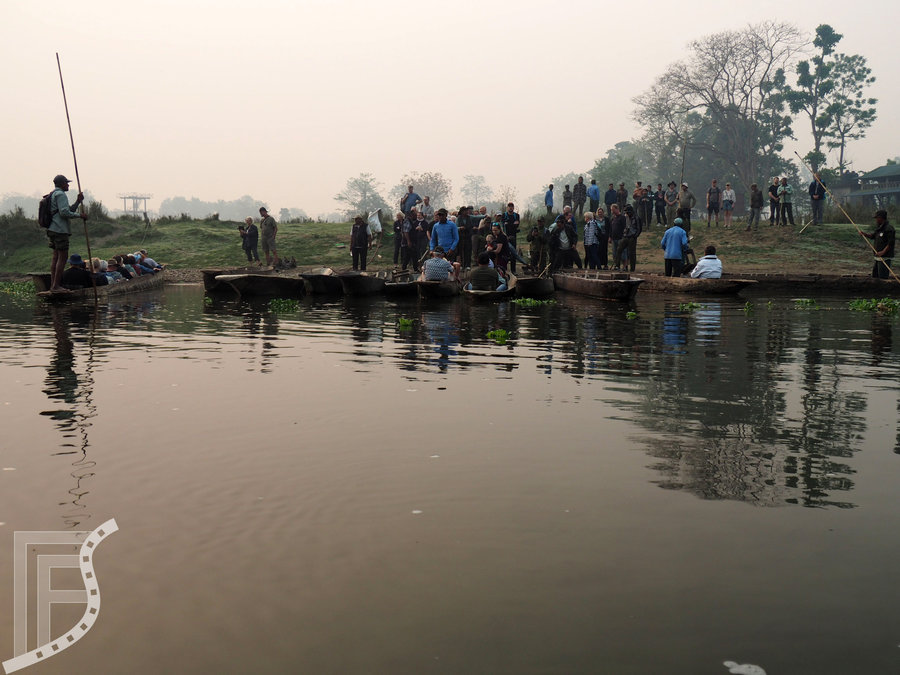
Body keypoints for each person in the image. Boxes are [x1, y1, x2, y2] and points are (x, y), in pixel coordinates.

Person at [46, 174, 86, 293]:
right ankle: (56, 286)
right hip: (60, 230)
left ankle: (53, 285)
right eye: (66, 183)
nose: (68, 185)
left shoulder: (53, 194)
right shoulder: (61, 194)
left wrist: (78, 202)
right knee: (62, 258)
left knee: (56, 257)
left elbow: (68, 210)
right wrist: (80, 215)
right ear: (62, 184)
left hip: (52, 229)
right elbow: (64, 213)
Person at [862, 210, 895, 279]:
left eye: (877, 218)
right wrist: (864, 234)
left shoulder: (889, 229)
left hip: (884, 258)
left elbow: (891, 243)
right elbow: (873, 236)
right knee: (875, 276)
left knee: (882, 277)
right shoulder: (879, 228)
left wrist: (883, 252)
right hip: (878, 257)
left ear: (881, 218)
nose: (876, 220)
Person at [613, 204, 642, 272]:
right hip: (626, 236)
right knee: (619, 249)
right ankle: (617, 265)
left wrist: (635, 236)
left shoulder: (636, 218)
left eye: (627, 212)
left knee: (632, 253)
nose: (626, 213)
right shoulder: (626, 218)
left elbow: (639, 229)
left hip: (632, 236)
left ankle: (632, 268)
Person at [501, 203, 520, 273]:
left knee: (514, 253)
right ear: (507, 207)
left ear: (513, 208)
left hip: (513, 236)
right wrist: (512, 224)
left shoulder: (517, 215)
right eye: (509, 207)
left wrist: (508, 224)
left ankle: (513, 270)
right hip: (505, 236)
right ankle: (504, 270)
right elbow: (503, 225)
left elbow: (517, 225)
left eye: (512, 207)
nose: (510, 208)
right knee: (505, 253)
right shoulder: (504, 215)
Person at [608, 203, 625, 268]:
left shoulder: (622, 217)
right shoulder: (612, 218)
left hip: (620, 238)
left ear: (617, 209)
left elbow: (624, 227)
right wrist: (610, 237)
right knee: (615, 253)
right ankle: (617, 265)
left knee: (623, 253)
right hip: (613, 238)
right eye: (611, 210)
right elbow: (610, 228)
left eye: (613, 210)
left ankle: (624, 266)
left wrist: (623, 236)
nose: (612, 211)